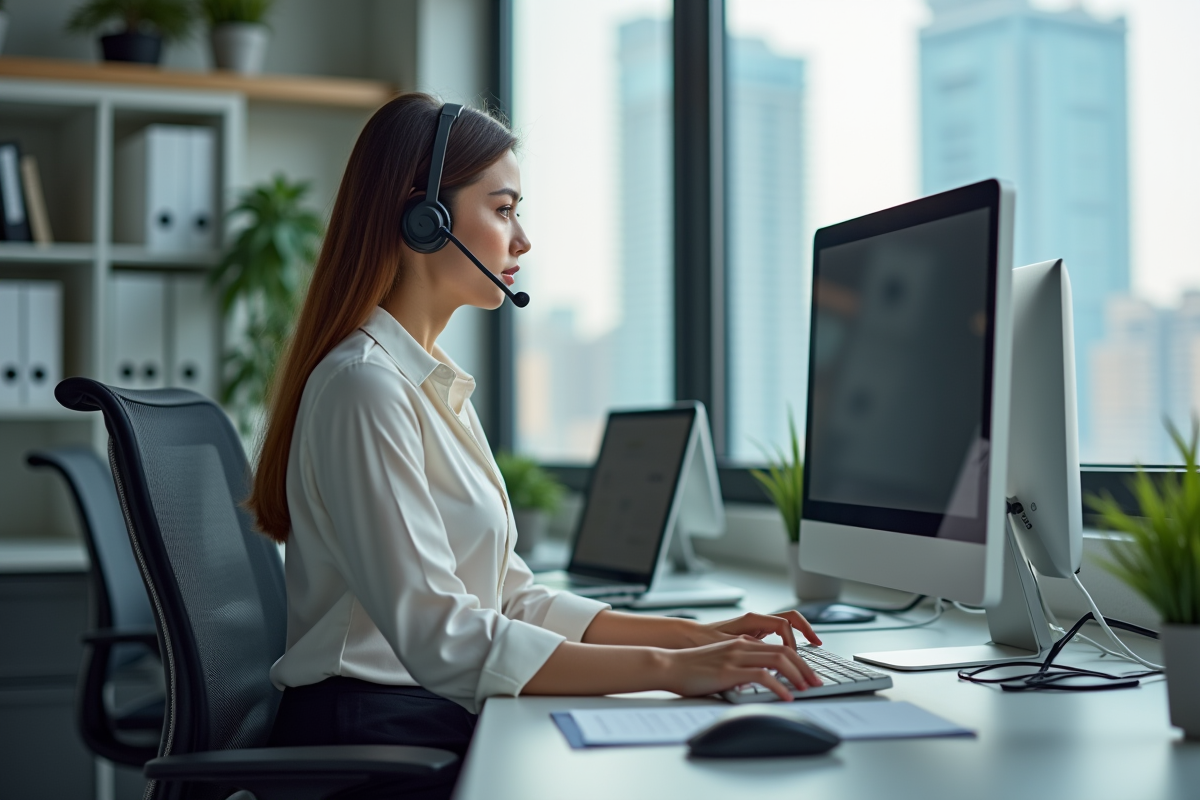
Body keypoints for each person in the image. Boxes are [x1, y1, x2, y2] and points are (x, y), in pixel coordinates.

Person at [247, 93, 821, 798]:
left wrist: (689, 638)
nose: (522, 240)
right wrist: (670, 674)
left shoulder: (428, 382)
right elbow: (445, 638)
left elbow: (509, 598)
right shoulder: (366, 388)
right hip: (369, 742)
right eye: (503, 208)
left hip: (414, 716)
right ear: (421, 218)